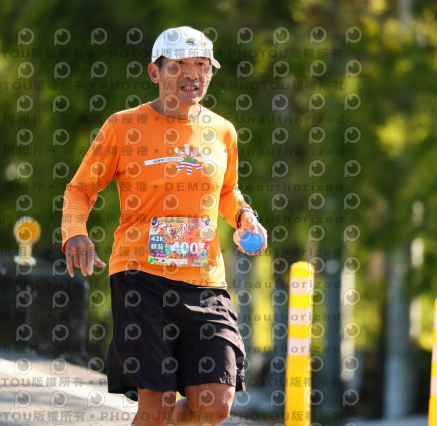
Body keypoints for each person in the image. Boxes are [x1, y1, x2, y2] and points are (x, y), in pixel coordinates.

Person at [61, 26, 267, 426]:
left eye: (202, 65)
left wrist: (245, 216)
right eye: (178, 66)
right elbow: (80, 189)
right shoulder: (123, 126)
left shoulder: (222, 131)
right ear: (155, 72)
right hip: (140, 278)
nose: (192, 74)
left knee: (214, 404)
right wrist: (75, 233)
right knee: (156, 407)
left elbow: (227, 191)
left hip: (204, 281)